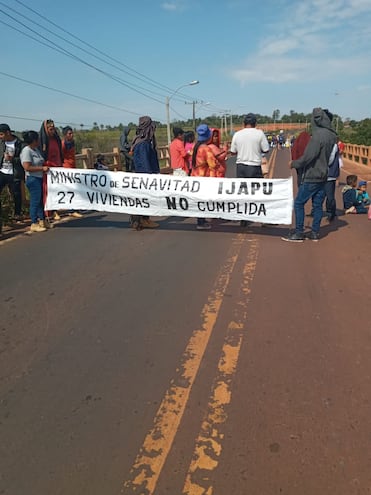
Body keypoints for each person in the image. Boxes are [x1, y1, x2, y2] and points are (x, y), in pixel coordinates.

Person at [282, 107, 338, 242]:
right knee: (317, 205)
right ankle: (314, 232)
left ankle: (299, 232)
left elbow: (308, 157)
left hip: (312, 174)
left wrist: (294, 163)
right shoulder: (332, 136)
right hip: (324, 174)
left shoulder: (317, 136)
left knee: (299, 203)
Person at [230, 113, 269, 226]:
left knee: (243, 193)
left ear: (243, 124)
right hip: (254, 166)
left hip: (241, 166)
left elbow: (233, 151)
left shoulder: (237, 134)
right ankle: (262, 219)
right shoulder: (259, 133)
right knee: (258, 193)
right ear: (255, 123)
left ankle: (244, 219)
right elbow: (266, 149)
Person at [130, 116, 160, 230]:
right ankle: (142, 220)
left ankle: (141, 220)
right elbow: (144, 163)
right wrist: (150, 177)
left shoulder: (141, 141)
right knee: (143, 198)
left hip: (140, 176)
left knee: (141, 199)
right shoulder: (143, 144)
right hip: (144, 177)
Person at [20, 131, 50, 232]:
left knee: (40, 200)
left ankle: (42, 220)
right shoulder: (26, 151)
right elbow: (27, 167)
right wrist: (42, 169)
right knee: (35, 201)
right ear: (33, 140)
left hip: (40, 178)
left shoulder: (36, 150)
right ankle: (34, 222)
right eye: (37, 139)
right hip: (33, 179)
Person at [191, 124, 217, 230]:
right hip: (204, 178)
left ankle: (201, 220)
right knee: (203, 200)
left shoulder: (195, 146)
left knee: (199, 200)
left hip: (195, 176)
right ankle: (201, 223)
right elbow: (212, 164)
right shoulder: (206, 149)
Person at [0, 123, 24, 234]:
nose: (0, 137)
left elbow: (23, 159)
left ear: (8, 133)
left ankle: (17, 214)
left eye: (1, 134)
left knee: (16, 194)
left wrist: (12, 159)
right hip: (2, 171)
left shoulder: (19, 143)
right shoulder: (1, 143)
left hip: (14, 172)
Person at [39, 119, 63, 221]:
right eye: (50, 129)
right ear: (46, 129)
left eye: (53, 129)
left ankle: (55, 211)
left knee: (56, 190)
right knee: (48, 191)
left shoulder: (56, 140)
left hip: (57, 168)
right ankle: (48, 212)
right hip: (48, 169)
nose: (52, 131)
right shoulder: (42, 142)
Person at [62, 126, 83, 218]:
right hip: (67, 168)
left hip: (73, 167)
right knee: (71, 189)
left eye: (72, 133)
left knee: (75, 188)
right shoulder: (63, 144)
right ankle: (71, 209)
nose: (71, 135)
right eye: (69, 133)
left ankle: (75, 208)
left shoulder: (72, 143)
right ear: (65, 135)